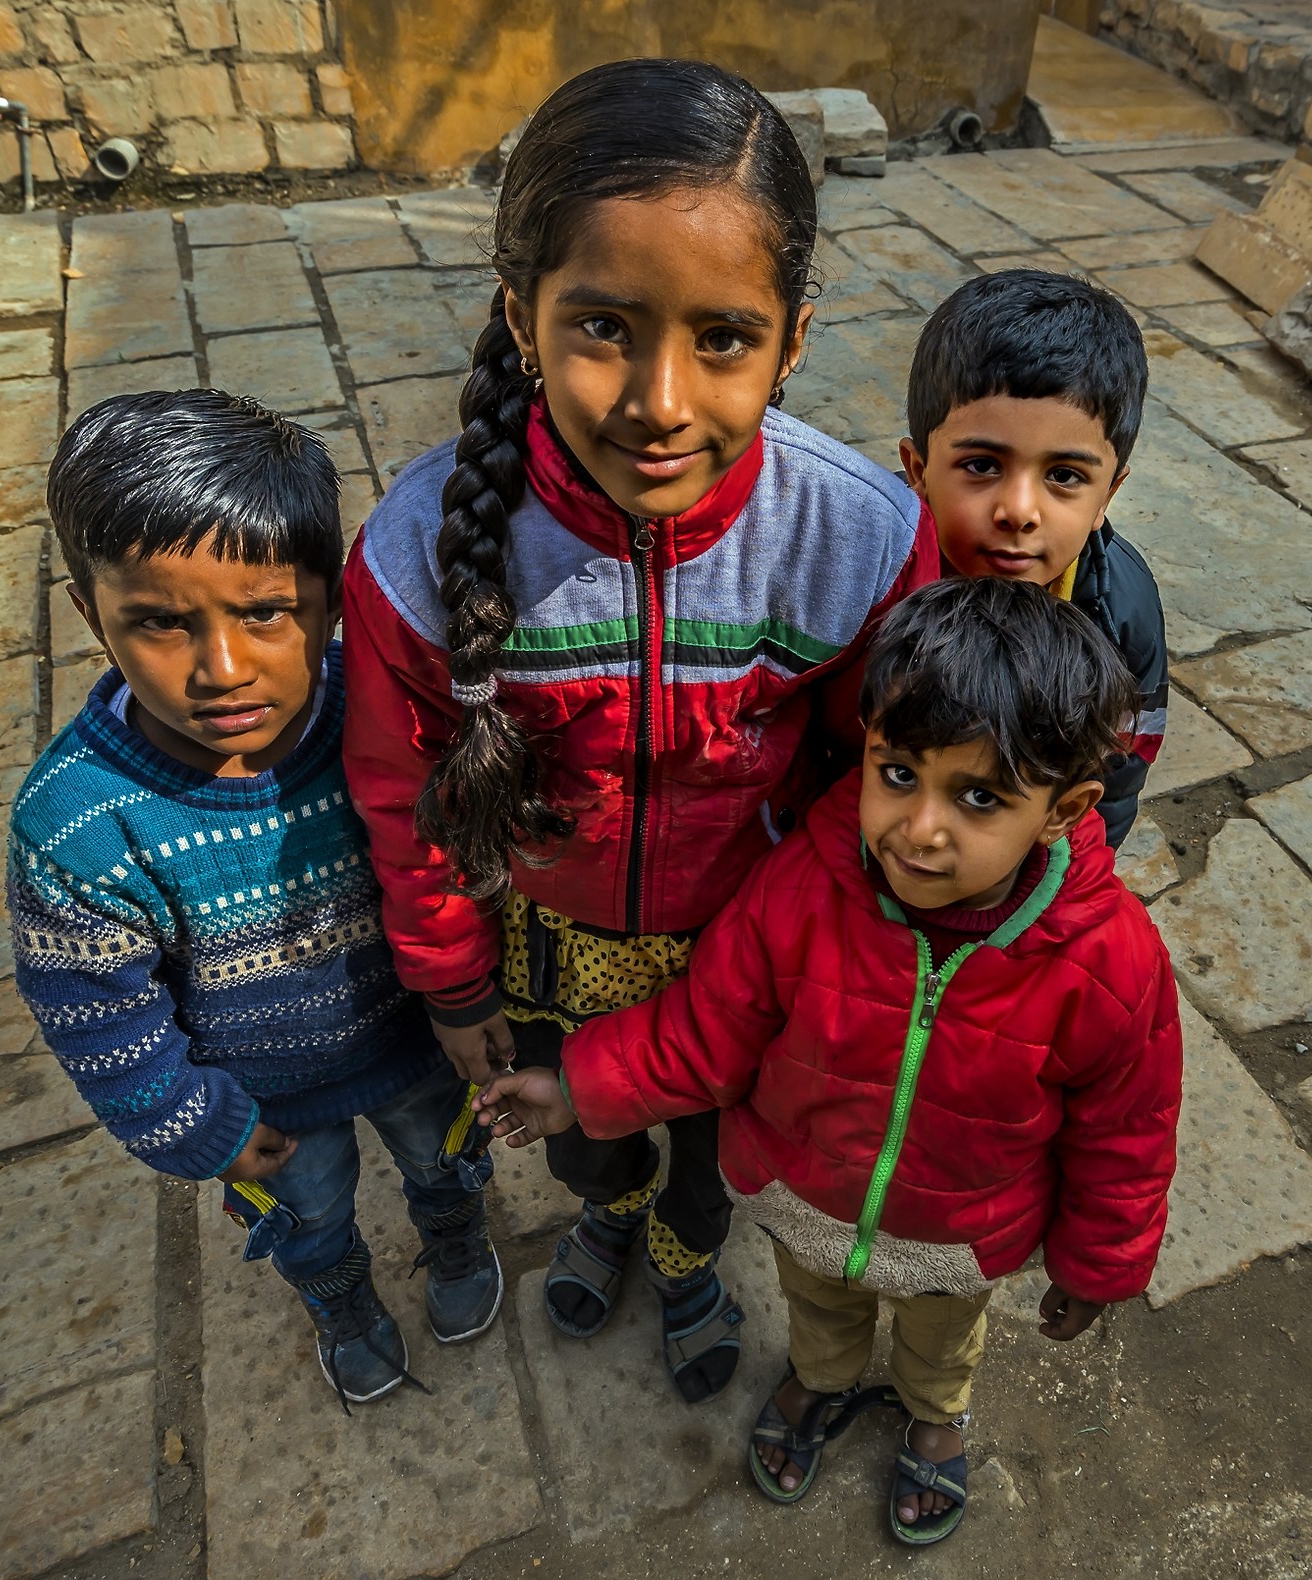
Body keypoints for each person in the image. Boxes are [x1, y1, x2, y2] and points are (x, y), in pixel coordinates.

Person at [342, 58, 934, 1405]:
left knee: (718, 1153)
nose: (661, 402)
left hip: (749, 951)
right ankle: (613, 1211)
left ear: (793, 336)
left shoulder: (859, 542)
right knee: (584, 1139)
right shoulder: (421, 559)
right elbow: (403, 793)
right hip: (541, 955)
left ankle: (683, 1254)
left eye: (723, 337)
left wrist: (825, 944)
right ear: (520, 312)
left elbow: (872, 772)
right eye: (603, 325)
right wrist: (454, 986)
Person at [477, 577, 1183, 1547]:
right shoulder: (802, 885)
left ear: (1066, 808)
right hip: (803, 1200)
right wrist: (579, 1085)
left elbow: (1128, 1134)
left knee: (942, 1344)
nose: (920, 825)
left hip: (960, 1239)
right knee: (821, 1314)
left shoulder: (1109, 959)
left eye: (979, 795)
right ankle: (823, 1376)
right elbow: (707, 1025)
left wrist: (1101, 1264)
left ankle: (935, 1414)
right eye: (898, 772)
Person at [7, 390, 502, 1412]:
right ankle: (345, 1305)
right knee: (309, 1217)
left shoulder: (386, 707)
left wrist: (477, 996)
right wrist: (197, 1123)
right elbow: (96, 1009)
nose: (222, 668)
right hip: (264, 1106)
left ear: (330, 596)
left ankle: (454, 1243)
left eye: (266, 611)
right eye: (157, 622)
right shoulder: (76, 824)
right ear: (89, 612)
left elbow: (462, 854)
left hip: (417, 1047)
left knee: (447, 1165)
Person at [898, 269, 1169, 850]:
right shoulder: (874, 574)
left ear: (1108, 496)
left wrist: (1078, 871)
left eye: (1065, 477)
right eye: (981, 465)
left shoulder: (1119, 611)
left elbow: (1117, 774)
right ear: (918, 471)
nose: (1019, 512)